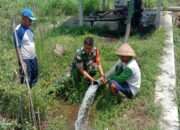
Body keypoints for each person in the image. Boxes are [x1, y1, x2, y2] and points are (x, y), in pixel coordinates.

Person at [14, 8, 38, 87]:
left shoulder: (29, 29)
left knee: (34, 78)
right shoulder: (18, 30)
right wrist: (22, 62)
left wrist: (35, 56)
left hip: (33, 58)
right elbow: (17, 47)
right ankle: (26, 97)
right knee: (26, 80)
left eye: (31, 20)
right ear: (24, 18)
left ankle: (34, 94)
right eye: (30, 20)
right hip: (25, 60)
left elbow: (31, 43)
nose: (31, 22)